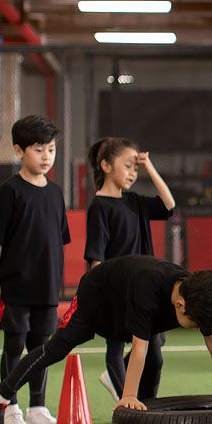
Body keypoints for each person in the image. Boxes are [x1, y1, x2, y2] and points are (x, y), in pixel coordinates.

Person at [0, 255, 212, 424]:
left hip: (126, 308)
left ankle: (144, 421)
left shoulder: (196, 294)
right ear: (180, 306)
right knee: (58, 347)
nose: (198, 330)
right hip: (96, 300)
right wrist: (129, 396)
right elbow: (138, 348)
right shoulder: (149, 287)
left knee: (156, 357)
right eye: (195, 326)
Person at [0, 114, 70, 424]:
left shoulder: (56, 193)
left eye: (51, 149)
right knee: (15, 343)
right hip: (16, 285)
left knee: (41, 346)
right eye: (38, 150)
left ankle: (37, 409)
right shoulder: (10, 191)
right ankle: (9, 407)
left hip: (47, 287)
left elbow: (57, 241)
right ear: (19, 151)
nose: (46, 157)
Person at [84, 136, 176, 401]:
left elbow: (169, 206)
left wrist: (150, 168)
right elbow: (96, 255)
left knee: (155, 353)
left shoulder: (135, 201)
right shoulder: (100, 207)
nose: (132, 173)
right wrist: (99, 294)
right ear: (105, 166)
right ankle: (127, 399)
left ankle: (146, 403)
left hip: (144, 287)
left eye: (135, 168)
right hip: (115, 289)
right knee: (116, 345)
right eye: (128, 166)